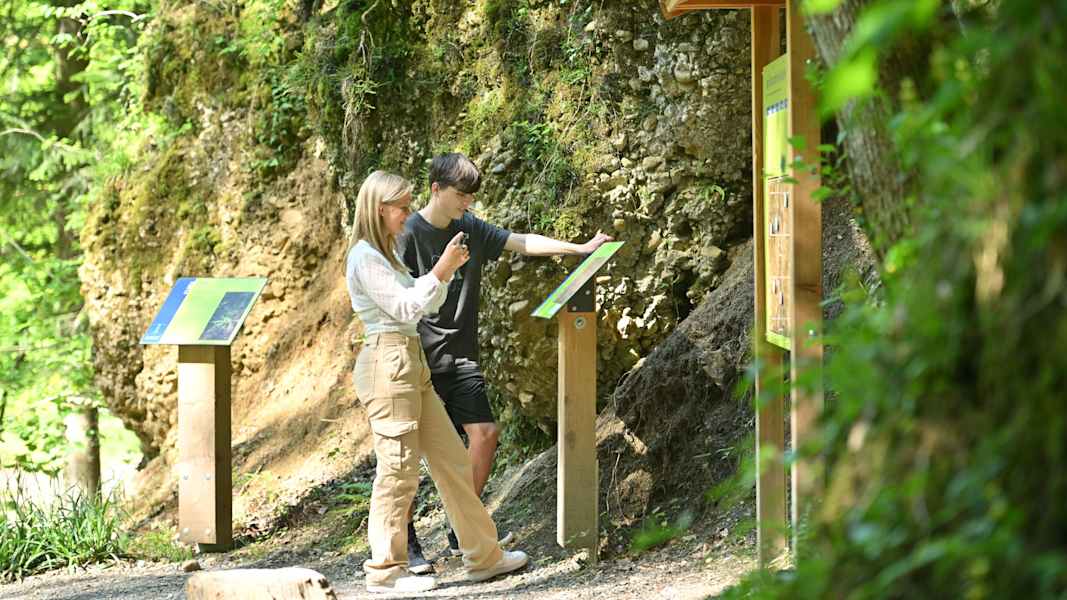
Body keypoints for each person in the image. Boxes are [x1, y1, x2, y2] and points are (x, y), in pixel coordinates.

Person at [400, 153, 612, 563]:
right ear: (436, 189)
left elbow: (520, 241)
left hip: (460, 357)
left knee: (485, 434)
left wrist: (578, 248)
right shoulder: (408, 234)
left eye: (471, 196)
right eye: (460, 195)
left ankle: (463, 527)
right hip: (417, 359)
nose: (466, 203)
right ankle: (406, 543)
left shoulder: (469, 227)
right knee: (407, 456)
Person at [346, 170, 529, 594]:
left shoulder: (386, 252)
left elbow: (426, 301)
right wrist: (442, 269)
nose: (408, 215)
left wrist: (442, 274)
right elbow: (407, 307)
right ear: (379, 209)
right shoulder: (364, 257)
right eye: (402, 207)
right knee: (397, 469)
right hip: (388, 363)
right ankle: (386, 572)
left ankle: (484, 556)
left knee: (450, 460)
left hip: (411, 361)